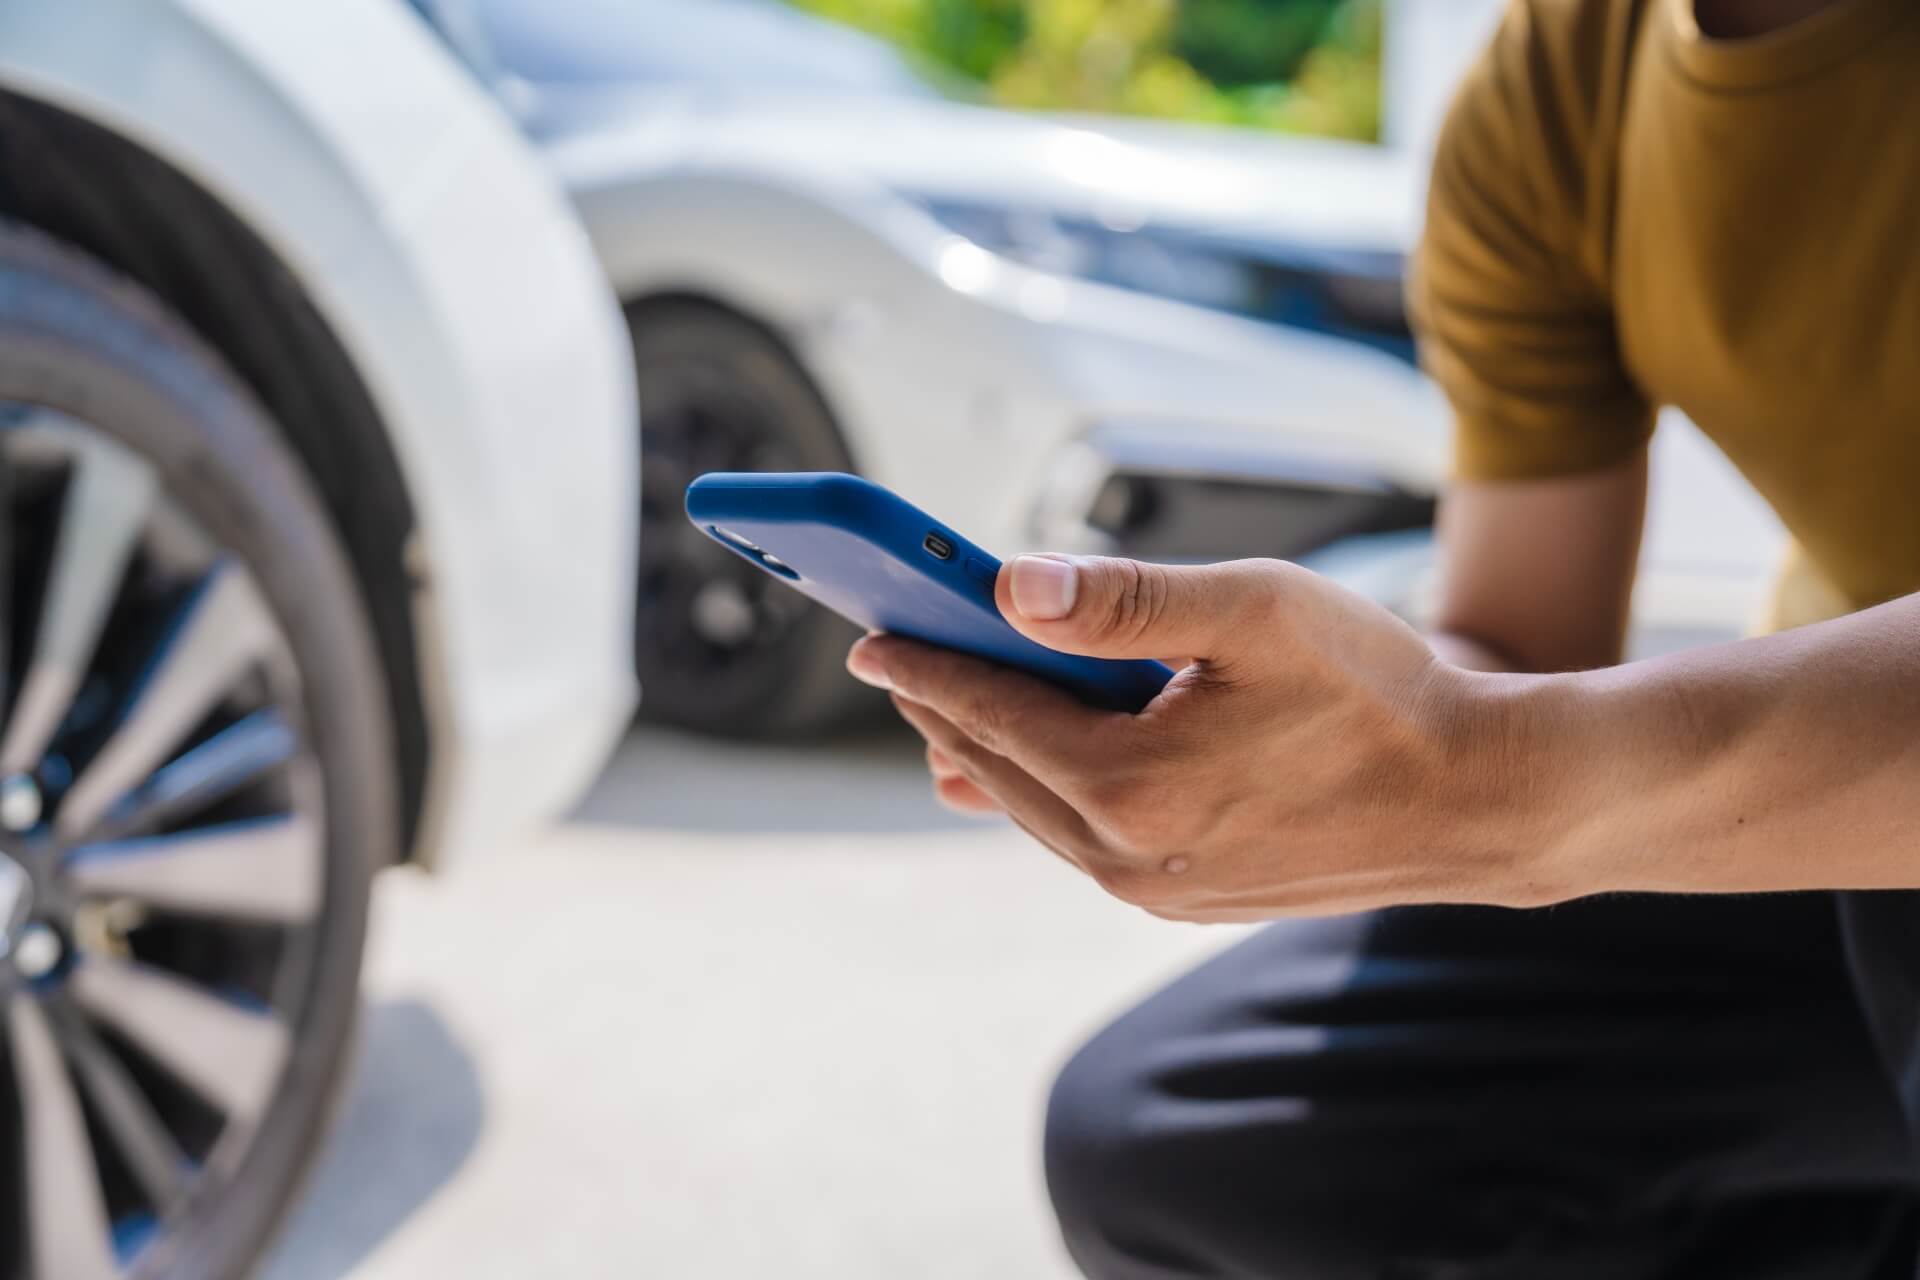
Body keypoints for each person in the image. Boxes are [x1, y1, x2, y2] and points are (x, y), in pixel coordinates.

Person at [844, 0, 1920, 1274]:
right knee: (1190, 1142)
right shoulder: (1568, 75)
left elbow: (1524, 747)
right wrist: (1334, 716)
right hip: (1804, 820)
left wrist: (1505, 781)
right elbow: (1517, 639)